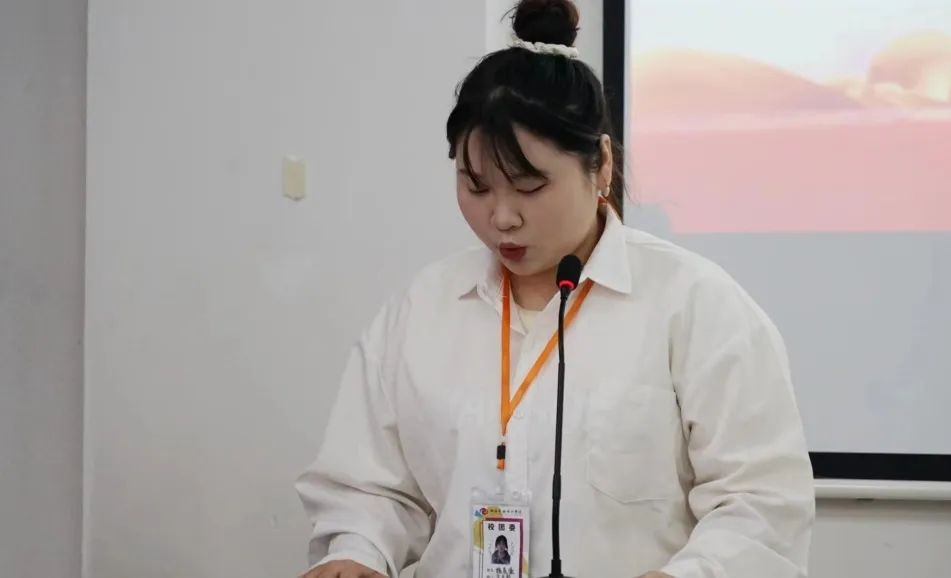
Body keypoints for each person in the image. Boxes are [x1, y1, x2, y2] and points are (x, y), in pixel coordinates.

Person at [295, 1, 815, 577]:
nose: (502, 217)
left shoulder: (694, 305)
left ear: (602, 164)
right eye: (476, 187)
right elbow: (369, 488)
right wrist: (356, 552)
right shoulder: (422, 310)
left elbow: (762, 504)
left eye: (529, 187)